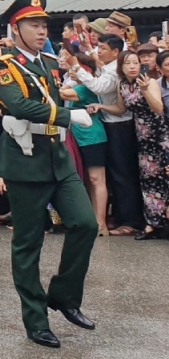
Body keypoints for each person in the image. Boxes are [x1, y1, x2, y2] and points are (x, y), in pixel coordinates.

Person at [0, 0, 98, 349]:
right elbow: (17, 104)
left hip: (58, 160)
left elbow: (53, 96)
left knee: (85, 223)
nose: (40, 30)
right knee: (28, 243)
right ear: (15, 27)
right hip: (25, 163)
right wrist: (68, 115)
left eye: (43, 24)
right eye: (33, 24)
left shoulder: (50, 64)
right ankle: (35, 319)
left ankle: (64, 296)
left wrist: (75, 99)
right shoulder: (4, 66)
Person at [71, 34, 142, 235]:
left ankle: (129, 220)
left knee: (122, 174)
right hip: (110, 124)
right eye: (98, 47)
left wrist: (77, 68)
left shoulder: (113, 73)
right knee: (114, 174)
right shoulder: (110, 67)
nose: (99, 51)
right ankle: (119, 217)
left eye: (102, 48)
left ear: (115, 52)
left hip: (120, 126)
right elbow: (100, 68)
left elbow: (98, 86)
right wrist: (90, 51)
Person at [114, 49, 169, 240]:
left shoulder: (149, 81)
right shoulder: (121, 84)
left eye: (135, 63)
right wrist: (100, 107)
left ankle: (165, 223)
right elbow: (121, 109)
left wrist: (145, 90)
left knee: (164, 179)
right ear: (121, 66)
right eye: (127, 63)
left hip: (160, 136)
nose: (132, 66)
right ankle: (153, 224)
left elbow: (159, 108)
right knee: (148, 182)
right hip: (141, 138)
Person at [58, 54, 109, 238]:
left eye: (75, 68)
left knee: (97, 179)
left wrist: (71, 80)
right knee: (87, 179)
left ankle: (101, 222)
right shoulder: (80, 85)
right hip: (79, 136)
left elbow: (61, 92)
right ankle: (93, 220)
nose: (71, 72)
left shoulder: (85, 88)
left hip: (92, 136)